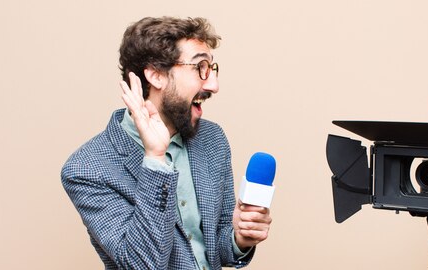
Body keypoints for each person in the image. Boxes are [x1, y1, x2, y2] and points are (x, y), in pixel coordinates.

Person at [61, 16, 272, 270]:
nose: (214, 85)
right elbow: (143, 265)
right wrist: (155, 160)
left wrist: (239, 239)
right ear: (156, 75)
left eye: (212, 69)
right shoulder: (87, 169)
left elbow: (215, 248)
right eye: (200, 67)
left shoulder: (212, 139)